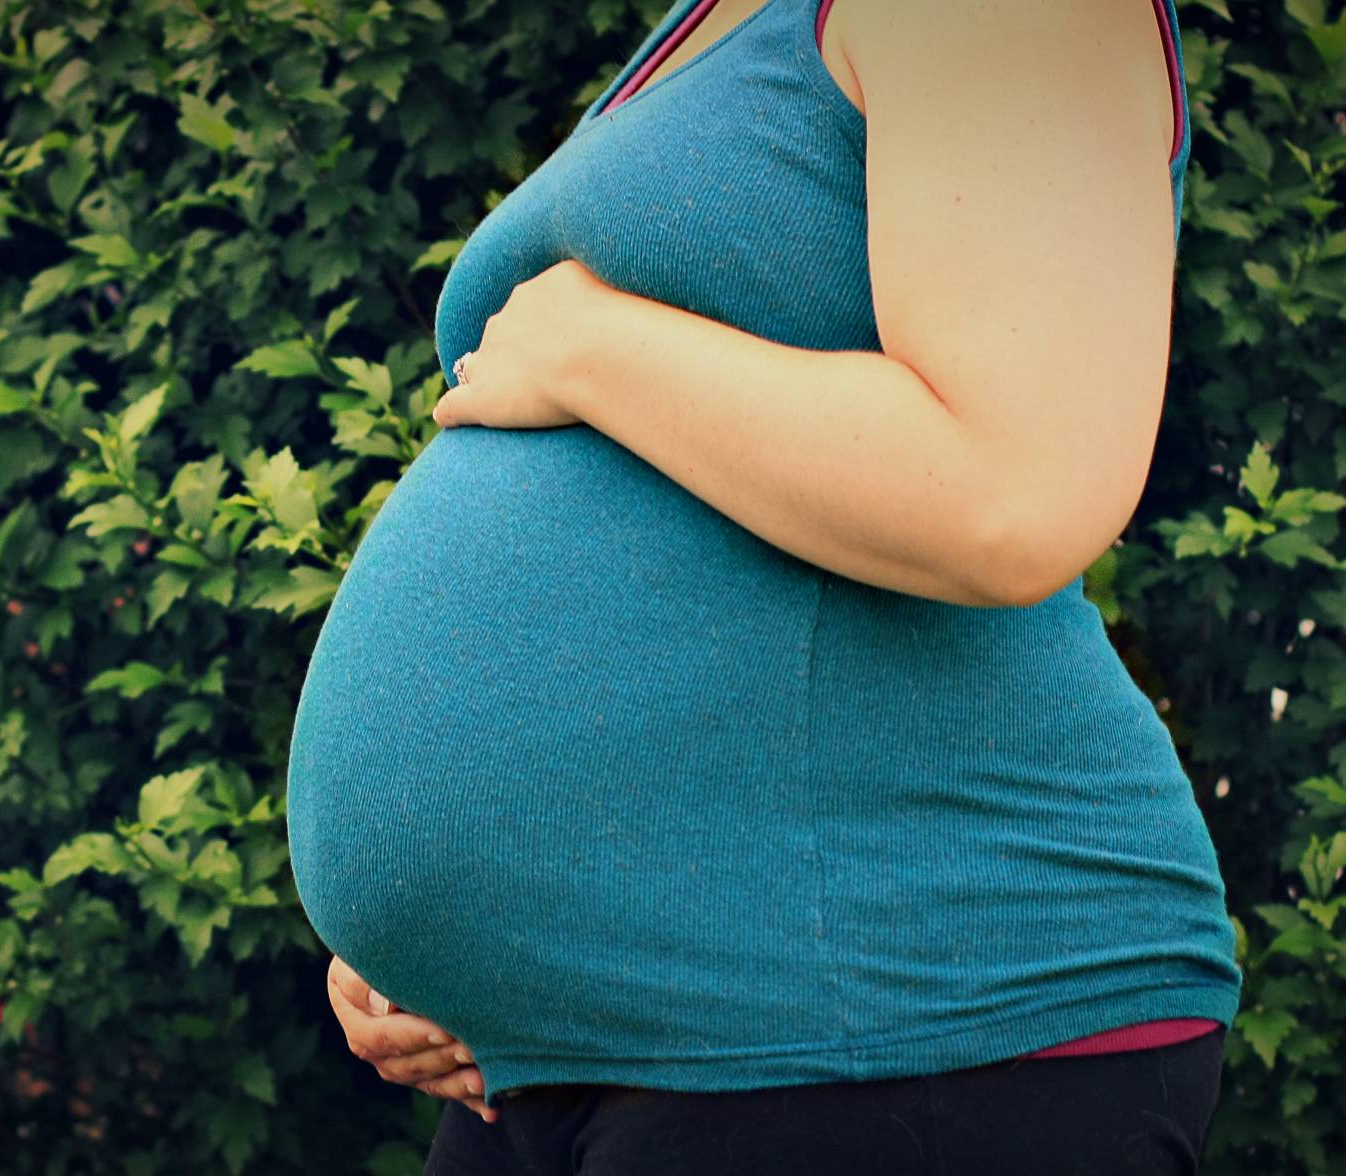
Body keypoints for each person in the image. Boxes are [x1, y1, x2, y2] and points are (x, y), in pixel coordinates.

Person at [286, 0, 1242, 1172]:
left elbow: (1014, 492)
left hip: (901, 1027)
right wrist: (449, 942)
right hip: (594, 1064)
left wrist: (591, 347)